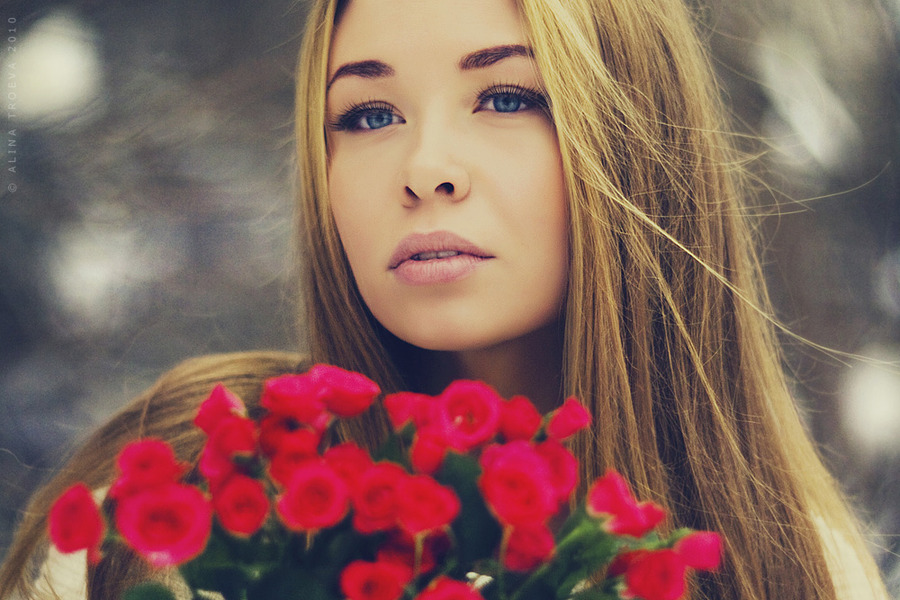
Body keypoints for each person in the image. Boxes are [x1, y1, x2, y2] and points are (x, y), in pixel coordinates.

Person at [0, 0, 891, 598]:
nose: (424, 170)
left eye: (504, 96)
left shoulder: (803, 565)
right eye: (368, 115)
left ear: (634, 142)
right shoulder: (184, 482)